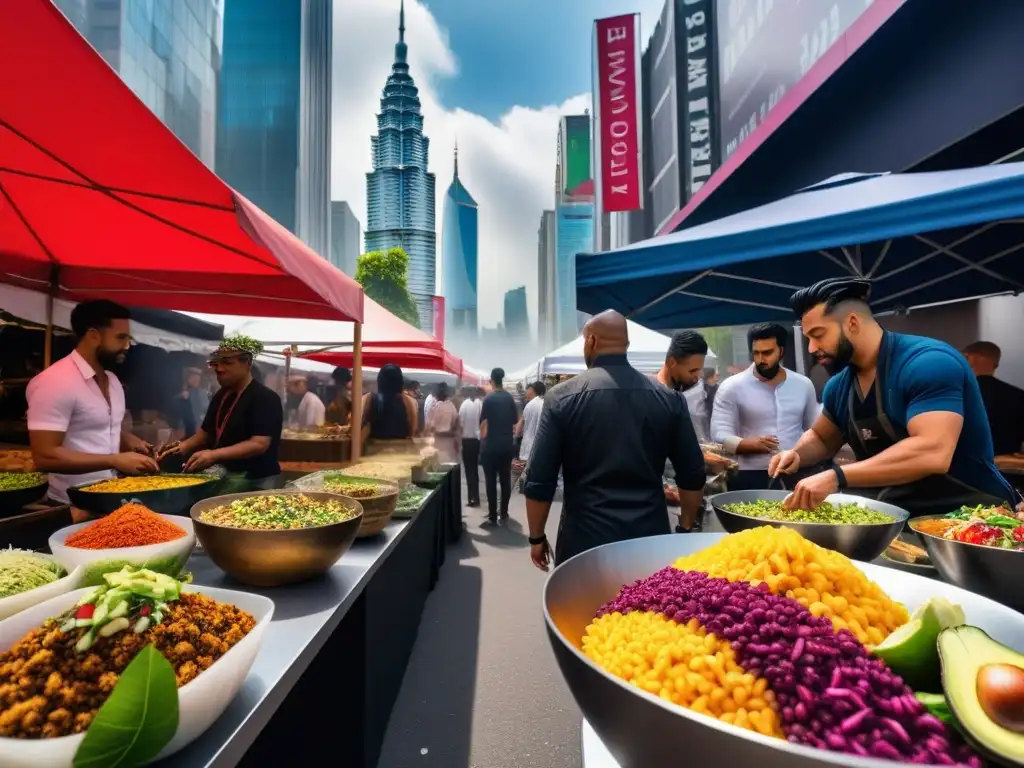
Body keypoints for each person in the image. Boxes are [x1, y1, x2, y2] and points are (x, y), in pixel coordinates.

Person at [770, 278, 1016, 515]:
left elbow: (932, 452)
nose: (812, 348)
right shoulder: (839, 385)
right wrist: (798, 454)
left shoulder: (929, 362)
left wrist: (837, 477)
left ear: (852, 323)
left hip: (974, 516)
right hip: (897, 517)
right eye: (808, 339)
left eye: (818, 335)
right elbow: (822, 438)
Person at [525, 311, 707, 570]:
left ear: (591, 342)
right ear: (627, 346)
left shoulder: (561, 398)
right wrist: (685, 527)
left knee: (582, 610)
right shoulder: (669, 400)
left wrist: (537, 537)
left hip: (584, 543)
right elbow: (692, 474)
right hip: (649, 539)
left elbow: (539, 480)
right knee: (645, 609)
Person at [28, 300, 159, 503]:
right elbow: (45, 456)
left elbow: (93, 425)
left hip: (112, 494)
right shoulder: (54, 382)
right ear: (93, 336)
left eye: (128, 338)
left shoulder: (113, 381)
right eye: (121, 338)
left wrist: (127, 440)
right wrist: (113, 460)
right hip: (70, 504)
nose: (127, 346)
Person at [159, 335, 283, 490]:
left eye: (227, 363)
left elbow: (259, 444)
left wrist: (213, 455)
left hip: (258, 481)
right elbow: (204, 434)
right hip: (227, 476)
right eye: (216, 363)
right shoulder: (221, 395)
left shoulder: (265, 397)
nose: (219, 368)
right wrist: (178, 449)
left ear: (248, 363)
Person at [711, 323, 819, 491]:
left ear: (781, 351)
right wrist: (749, 445)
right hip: (748, 474)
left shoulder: (803, 384)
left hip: (795, 471)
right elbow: (719, 434)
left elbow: (814, 430)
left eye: (768, 353)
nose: (761, 360)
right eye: (756, 353)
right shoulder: (731, 386)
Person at [962, 341, 1024, 456]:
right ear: (996, 365)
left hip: (958, 468)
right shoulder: (1018, 395)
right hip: (1004, 470)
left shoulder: (954, 393)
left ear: (967, 358)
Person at [480, 367, 519, 526]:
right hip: (506, 445)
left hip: (491, 445)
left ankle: (492, 515)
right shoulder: (509, 398)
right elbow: (515, 422)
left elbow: (483, 425)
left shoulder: (488, 399)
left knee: (490, 480)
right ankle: (504, 512)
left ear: (491, 380)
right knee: (505, 479)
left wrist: (483, 442)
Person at [654, 330, 710, 440]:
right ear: (672, 363)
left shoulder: (688, 392)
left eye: (699, 370)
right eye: (692, 371)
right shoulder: (652, 395)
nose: (697, 377)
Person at [361, 364, 419, 446]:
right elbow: (412, 430)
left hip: (373, 451)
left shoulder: (368, 399)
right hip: (401, 451)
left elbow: (360, 427)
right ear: (400, 382)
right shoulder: (409, 402)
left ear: (379, 381)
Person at [459, 387, 483, 507]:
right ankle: (476, 497)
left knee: (469, 471)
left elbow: (460, 424)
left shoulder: (464, 405)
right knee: (475, 471)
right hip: (477, 441)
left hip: (467, 441)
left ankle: (471, 498)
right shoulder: (480, 404)